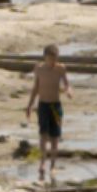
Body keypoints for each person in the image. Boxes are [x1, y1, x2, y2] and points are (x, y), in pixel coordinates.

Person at [25, 44, 72, 184]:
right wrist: (29, 105)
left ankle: (53, 165)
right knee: (43, 135)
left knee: (55, 137)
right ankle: (42, 164)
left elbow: (67, 84)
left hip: (55, 106)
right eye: (50, 59)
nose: (53, 62)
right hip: (43, 105)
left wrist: (68, 91)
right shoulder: (39, 69)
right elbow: (35, 88)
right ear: (45, 57)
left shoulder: (61, 69)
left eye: (55, 59)